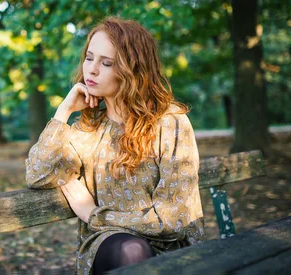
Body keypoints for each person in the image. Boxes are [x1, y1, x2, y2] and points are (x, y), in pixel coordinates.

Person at [25, 17, 205, 275]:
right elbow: (37, 174)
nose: (92, 70)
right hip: (111, 247)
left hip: (174, 249)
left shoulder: (170, 123)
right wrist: (62, 112)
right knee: (130, 250)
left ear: (133, 70)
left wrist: (95, 215)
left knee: (136, 252)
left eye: (106, 63)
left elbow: (173, 219)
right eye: (89, 58)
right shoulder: (87, 131)